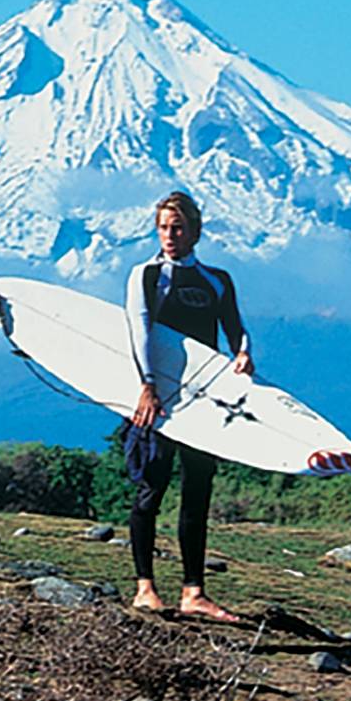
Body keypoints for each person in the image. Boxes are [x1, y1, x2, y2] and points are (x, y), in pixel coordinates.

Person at [124, 191, 253, 623]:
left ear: (195, 231)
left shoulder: (217, 279)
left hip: (203, 400)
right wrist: (145, 387)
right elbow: (139, 331)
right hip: (157, 398)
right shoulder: (147, 275)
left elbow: (234, 330)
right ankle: (145, 587)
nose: (169, 235)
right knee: (152, 488)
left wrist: (243, 354)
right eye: (162, 227)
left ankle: (193, 592)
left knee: (198, 493)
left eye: (177, 227)